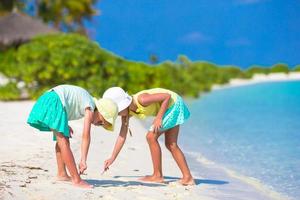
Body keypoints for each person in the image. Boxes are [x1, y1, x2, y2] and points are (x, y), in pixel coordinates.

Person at [27, 84, 118, 188]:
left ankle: (62, 174)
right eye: (101, 122)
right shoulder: (90, 107)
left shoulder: (87, 102)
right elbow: (86, 135)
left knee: (63, 138)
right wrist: (83, 159)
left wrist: (64, 124)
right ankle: (76, 179)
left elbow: (67, 104)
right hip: (54, 101)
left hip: (49, 99)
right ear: (101, 111)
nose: (98, 124)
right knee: (63, 142)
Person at [102, 87, 195, 185]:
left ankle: (157, 175)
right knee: (171, 144)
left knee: (151, 137)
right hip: (172, 106)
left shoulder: (142, 100)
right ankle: (188, 177)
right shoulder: (127, 113)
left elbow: (167, 97)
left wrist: (159, 118)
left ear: (125, 105)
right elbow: (122, 136)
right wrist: (112, 157)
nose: (119, 115)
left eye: (118, 112)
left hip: (174, 105)